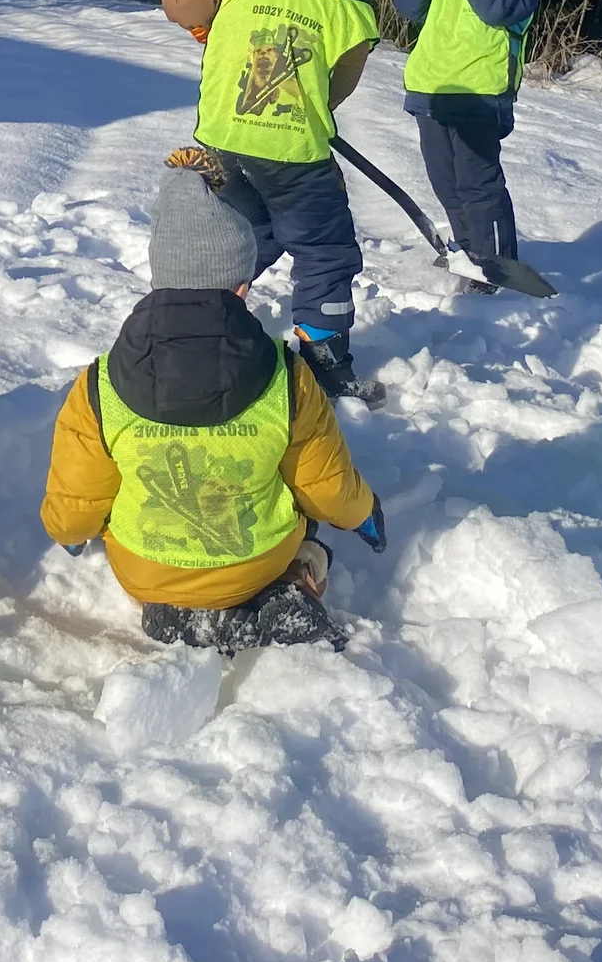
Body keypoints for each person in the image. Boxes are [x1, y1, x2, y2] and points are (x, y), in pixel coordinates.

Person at [41, 157, 387, 650]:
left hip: (146, 570)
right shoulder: (285, 377)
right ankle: (292, 584)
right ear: (241, 284)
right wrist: (364, 514)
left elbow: (76, 503)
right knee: (308, 531)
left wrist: (72, 534)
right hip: (258, 561)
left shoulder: (101, 384)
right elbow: (323, 486)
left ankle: (176, 610)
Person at [159, 0, 411, 398]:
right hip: (293, 155)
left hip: (221, 140)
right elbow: (333, 91)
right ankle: (323, 356)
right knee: (325, 249)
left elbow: (180, 2)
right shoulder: (355, 11)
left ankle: (200, 323)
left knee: (244, 233)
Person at [394, 0, 541, 289]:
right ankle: (467, 252)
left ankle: (497, 267)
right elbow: (408, 8)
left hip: (481, 93)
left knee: (480, 186)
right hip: (432, 88)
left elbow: (496, 7)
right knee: (446, 181)